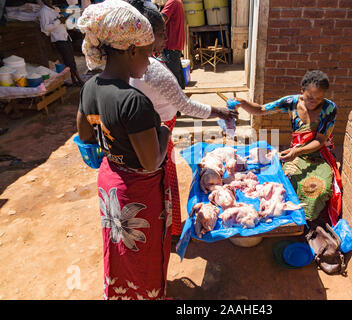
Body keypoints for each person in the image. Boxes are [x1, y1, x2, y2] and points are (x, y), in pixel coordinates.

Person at [76, 0, 172, 300]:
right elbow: (150, 163)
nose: (151, 58)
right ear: (131, 50)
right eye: (147, 51)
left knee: (120, 252)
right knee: (145, 253)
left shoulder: (90, 87)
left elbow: (84, 135)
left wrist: (113, 143)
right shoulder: (133, 101)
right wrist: (165, 131)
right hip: (137, 194)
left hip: (110, 184)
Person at [128, 0, 237, 237]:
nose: (165, 40)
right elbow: (185, 105)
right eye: (161, 34)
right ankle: (170, 232)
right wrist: (219, 112)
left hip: (146, 134)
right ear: (146, 35)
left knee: (153, 185)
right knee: (162, 183)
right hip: (158, 134)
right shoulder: (152, 69)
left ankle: (162, 229)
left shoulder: (131, 65)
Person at [236, 70, 342, 226]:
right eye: (310, 97)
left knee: (319, 188)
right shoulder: (291, 102)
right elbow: (260, 110)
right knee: (284, 184)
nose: (313, 102)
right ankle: (291, 221)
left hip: (320, 155)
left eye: (319, 98)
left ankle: (308, 223)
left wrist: (297, 151)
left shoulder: (329, 109)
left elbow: (320, 140)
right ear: (302, 91)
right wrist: (242, 103)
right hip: (296, 153)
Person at [39, 0, 84, 86]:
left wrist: (63, 18)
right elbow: (45, 28)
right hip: (58, 38)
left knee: (70, 59)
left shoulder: (54, 9)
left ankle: (74, 79)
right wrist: (59, 21)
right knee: (69, 60)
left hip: (65, 36)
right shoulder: (44, 11)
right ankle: (77, 79)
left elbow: (60, 18)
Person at [160, 0, 186, 88]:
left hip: (170, 46)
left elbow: (160, 21)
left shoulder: (172, 2)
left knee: (172, 83)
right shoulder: (177, 1)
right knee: (178, 81)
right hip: (174, 46)